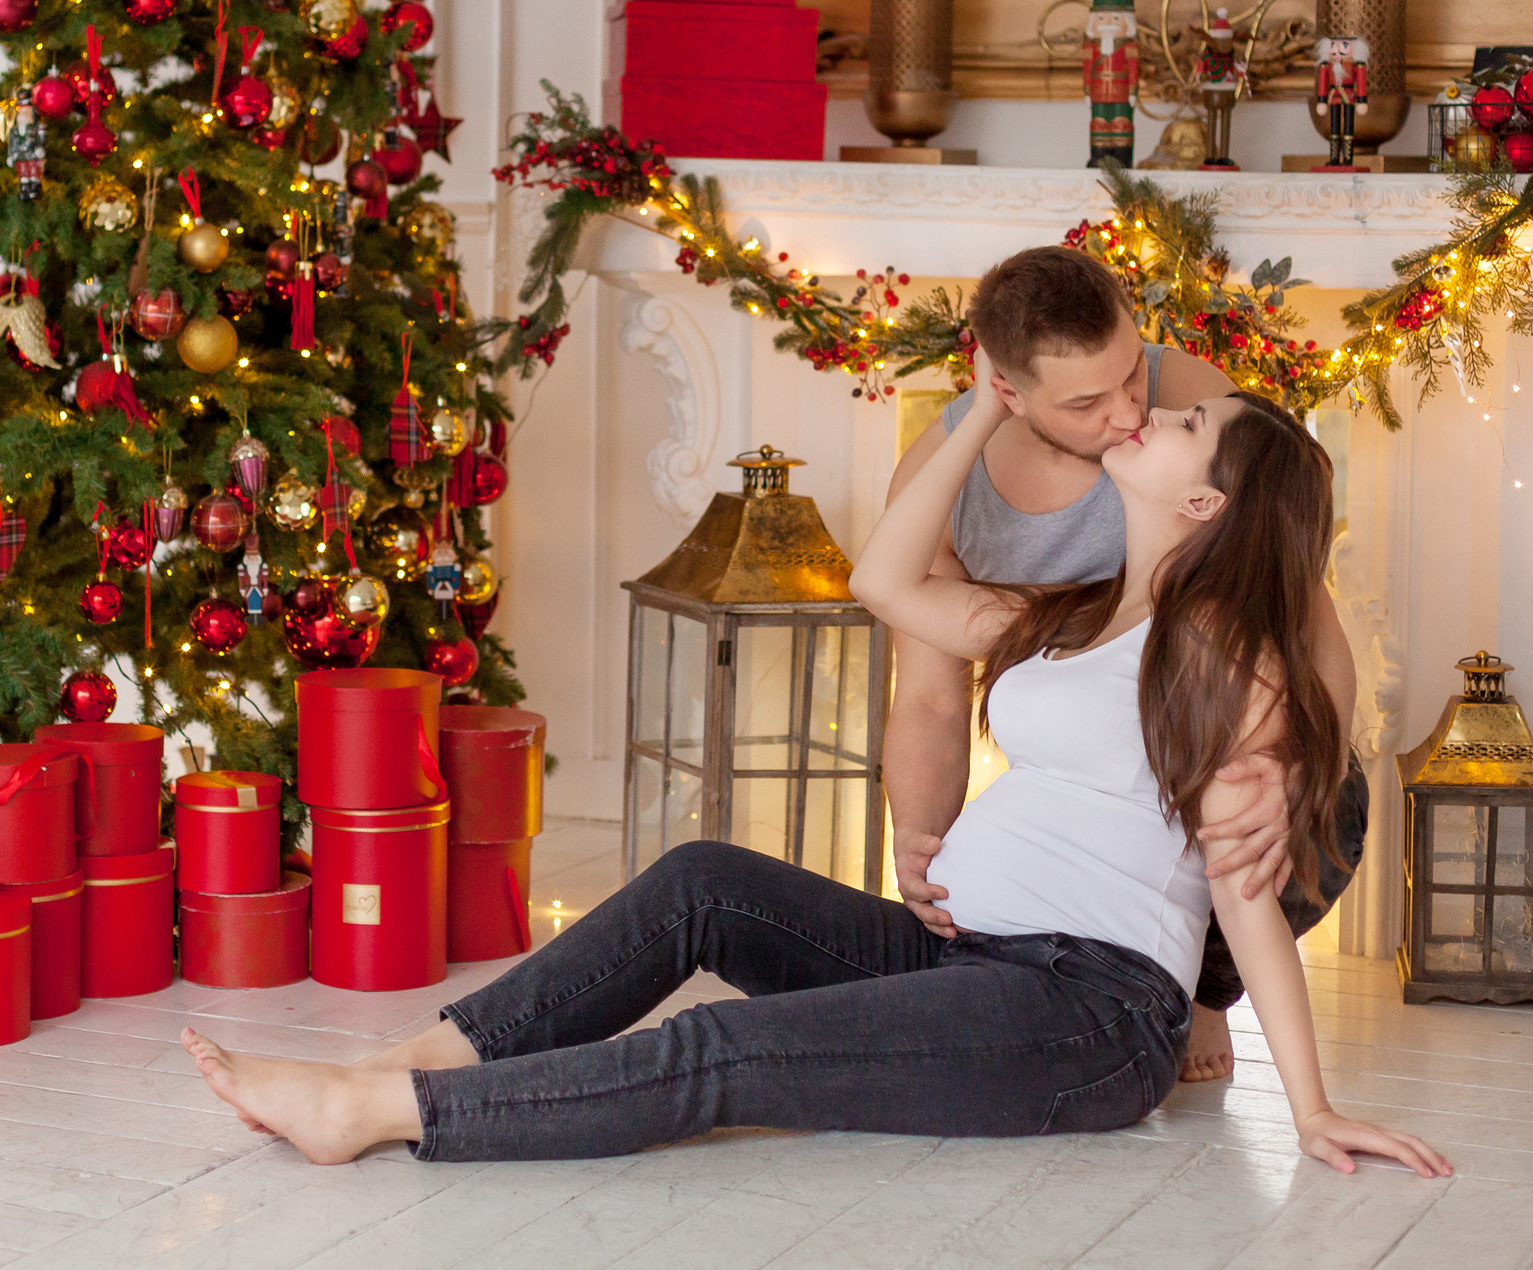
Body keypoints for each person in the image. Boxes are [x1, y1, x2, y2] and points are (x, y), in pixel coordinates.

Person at [180, 353, 1448, 1180]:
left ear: (1209, 504)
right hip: (971, 958)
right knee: (698, 882)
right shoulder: (1074, 613)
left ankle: (386, 1114)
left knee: (728, 1052)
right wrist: (981, 413)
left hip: (1084, 1014)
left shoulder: (1232, 659)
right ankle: (427, 1058)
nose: (1149, 411)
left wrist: (1312, 1102)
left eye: (1182, 423)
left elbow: (1241, 893)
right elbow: (884, 582)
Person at [886, 246, 1370, 1083]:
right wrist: (921, 842)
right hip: (1075, 697)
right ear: (1006, 387)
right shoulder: (946, 480)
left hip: (1202, 710)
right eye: (1085, 400)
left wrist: (1288, 760)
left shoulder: (1186, 400)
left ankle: (1207, 987)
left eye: (1131, 377)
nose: (1125, 413)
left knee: (1331, 792)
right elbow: (929, 695)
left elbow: (1297, 603)